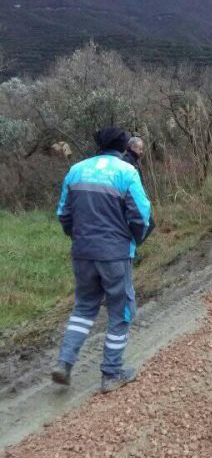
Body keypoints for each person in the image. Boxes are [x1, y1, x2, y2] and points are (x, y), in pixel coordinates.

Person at [51, 126, 153, 393]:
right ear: (123, 147)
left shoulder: (76, 170)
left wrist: (77, 236)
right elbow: (141, 215)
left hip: (83, 252)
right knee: (121, 311)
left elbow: (63, 213)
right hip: (115, 254)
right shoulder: (126, 171)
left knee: (84, 308)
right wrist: (134, 239)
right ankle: (112, 373)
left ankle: (64, 363)